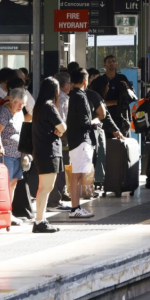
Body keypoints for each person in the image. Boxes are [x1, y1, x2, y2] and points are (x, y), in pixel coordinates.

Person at [31, 77, 66, 233]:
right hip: (49, 151)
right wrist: (60, 129)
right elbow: (63, 126)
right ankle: (39, 221)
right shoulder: (49, 107)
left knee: (45, 187)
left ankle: (41, 219)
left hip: (41, 150)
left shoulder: (39, 107)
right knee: (45, 188)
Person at [66, 70, 96, 219]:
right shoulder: (80, 96)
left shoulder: (72, 95)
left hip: (74, 140)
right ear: (85, 80)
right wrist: (95, 122)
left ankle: (75, 207)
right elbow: (85, 122)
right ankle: (75, 207)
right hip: (81, 140)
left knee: (76, 175)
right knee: (77, 175)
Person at [0, 89, 26, 210]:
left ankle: (8, 212)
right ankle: (2, 211)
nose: (20, 106)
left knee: (13, 183)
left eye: (23, 104)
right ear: (11, 100)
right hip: (4, 154)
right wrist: (0, 147)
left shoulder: (19, 113)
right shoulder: (3, 112)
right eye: (18, 103)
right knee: (4, 183)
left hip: (17, 154)